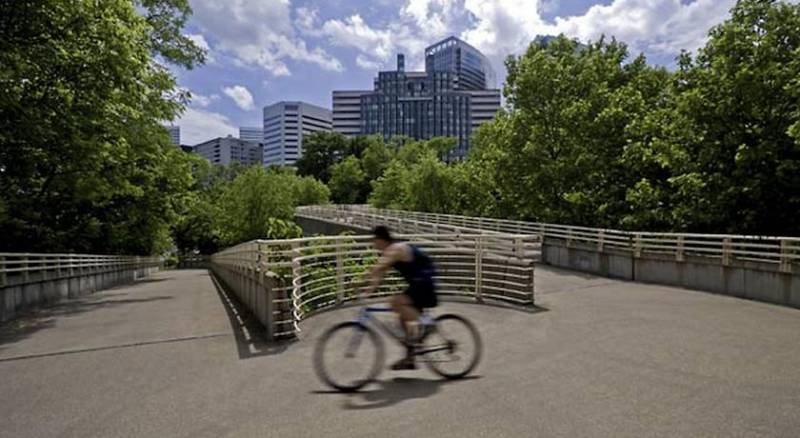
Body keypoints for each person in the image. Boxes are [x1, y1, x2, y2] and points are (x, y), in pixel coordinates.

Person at [361, 226, 438, 370]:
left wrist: (361, 280)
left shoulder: (395, 249)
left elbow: (378, 267)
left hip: (424, 284)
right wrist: (366, 292)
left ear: (380, 240)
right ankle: (410, 358)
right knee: (402, 319)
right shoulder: (389, 253)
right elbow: (379, 275)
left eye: (374, 241)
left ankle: (428, 324)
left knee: (396, 302)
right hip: (418, 284)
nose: (373, 245)